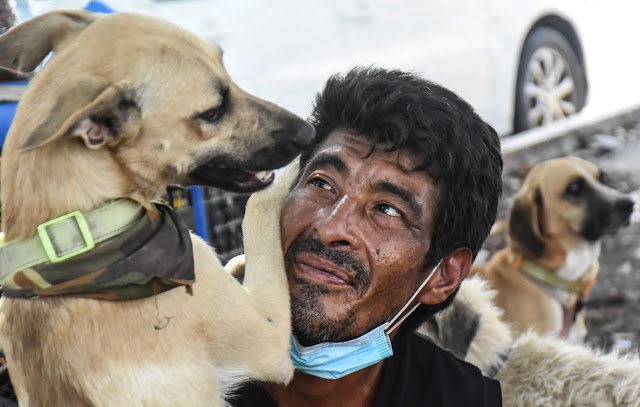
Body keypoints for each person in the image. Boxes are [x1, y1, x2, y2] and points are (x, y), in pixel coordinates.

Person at [231, 67, 503, 406]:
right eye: (321, 183)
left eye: (387, 210)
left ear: (443, 276)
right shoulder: (175, 370)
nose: (331, 228)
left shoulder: (459, 399)